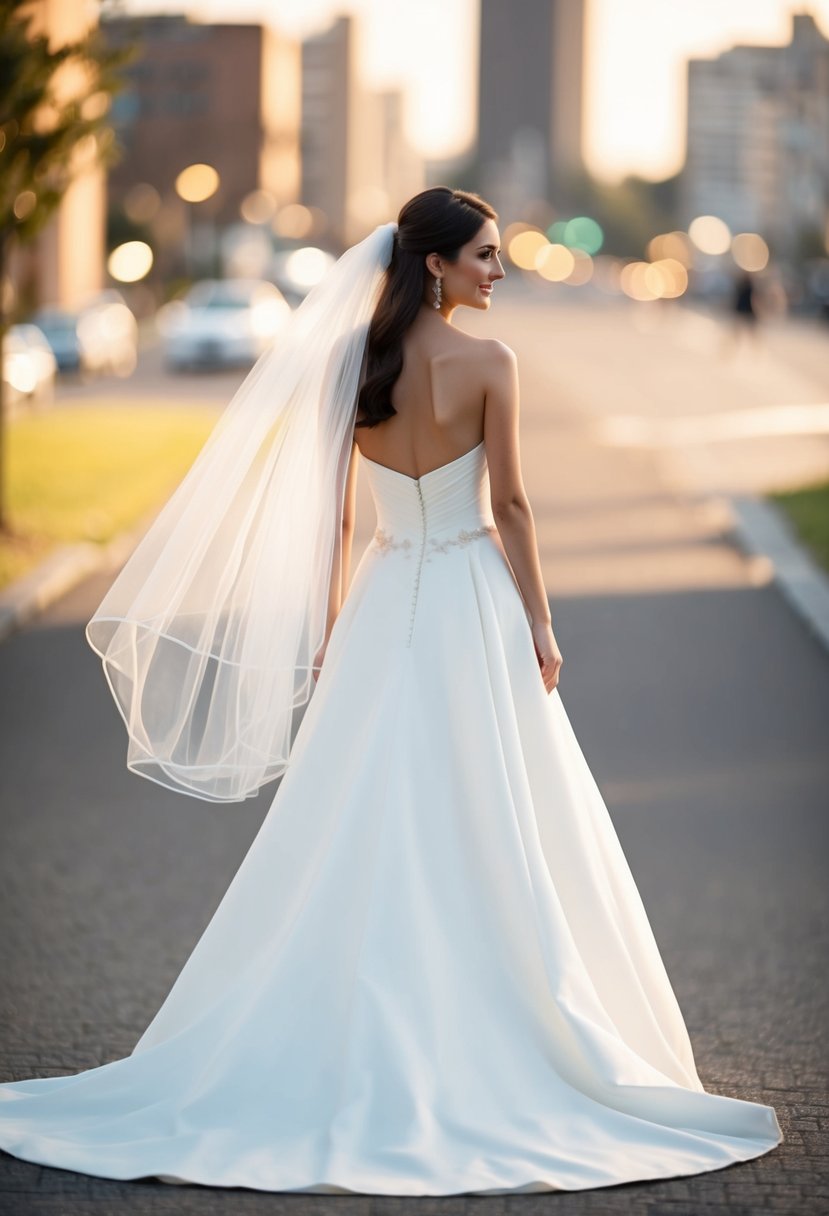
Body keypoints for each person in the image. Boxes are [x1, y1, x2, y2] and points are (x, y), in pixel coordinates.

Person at [0, 187, 781, 1195]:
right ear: (439, 265)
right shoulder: (490, 364)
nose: (498, 271)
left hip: (379, 602)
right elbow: (508, 504)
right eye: (486, 256)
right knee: (493, 810)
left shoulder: (349, 362)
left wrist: (328, 636)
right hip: (468, 602)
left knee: (359, 816)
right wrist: (540, 619)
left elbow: (332, 522)